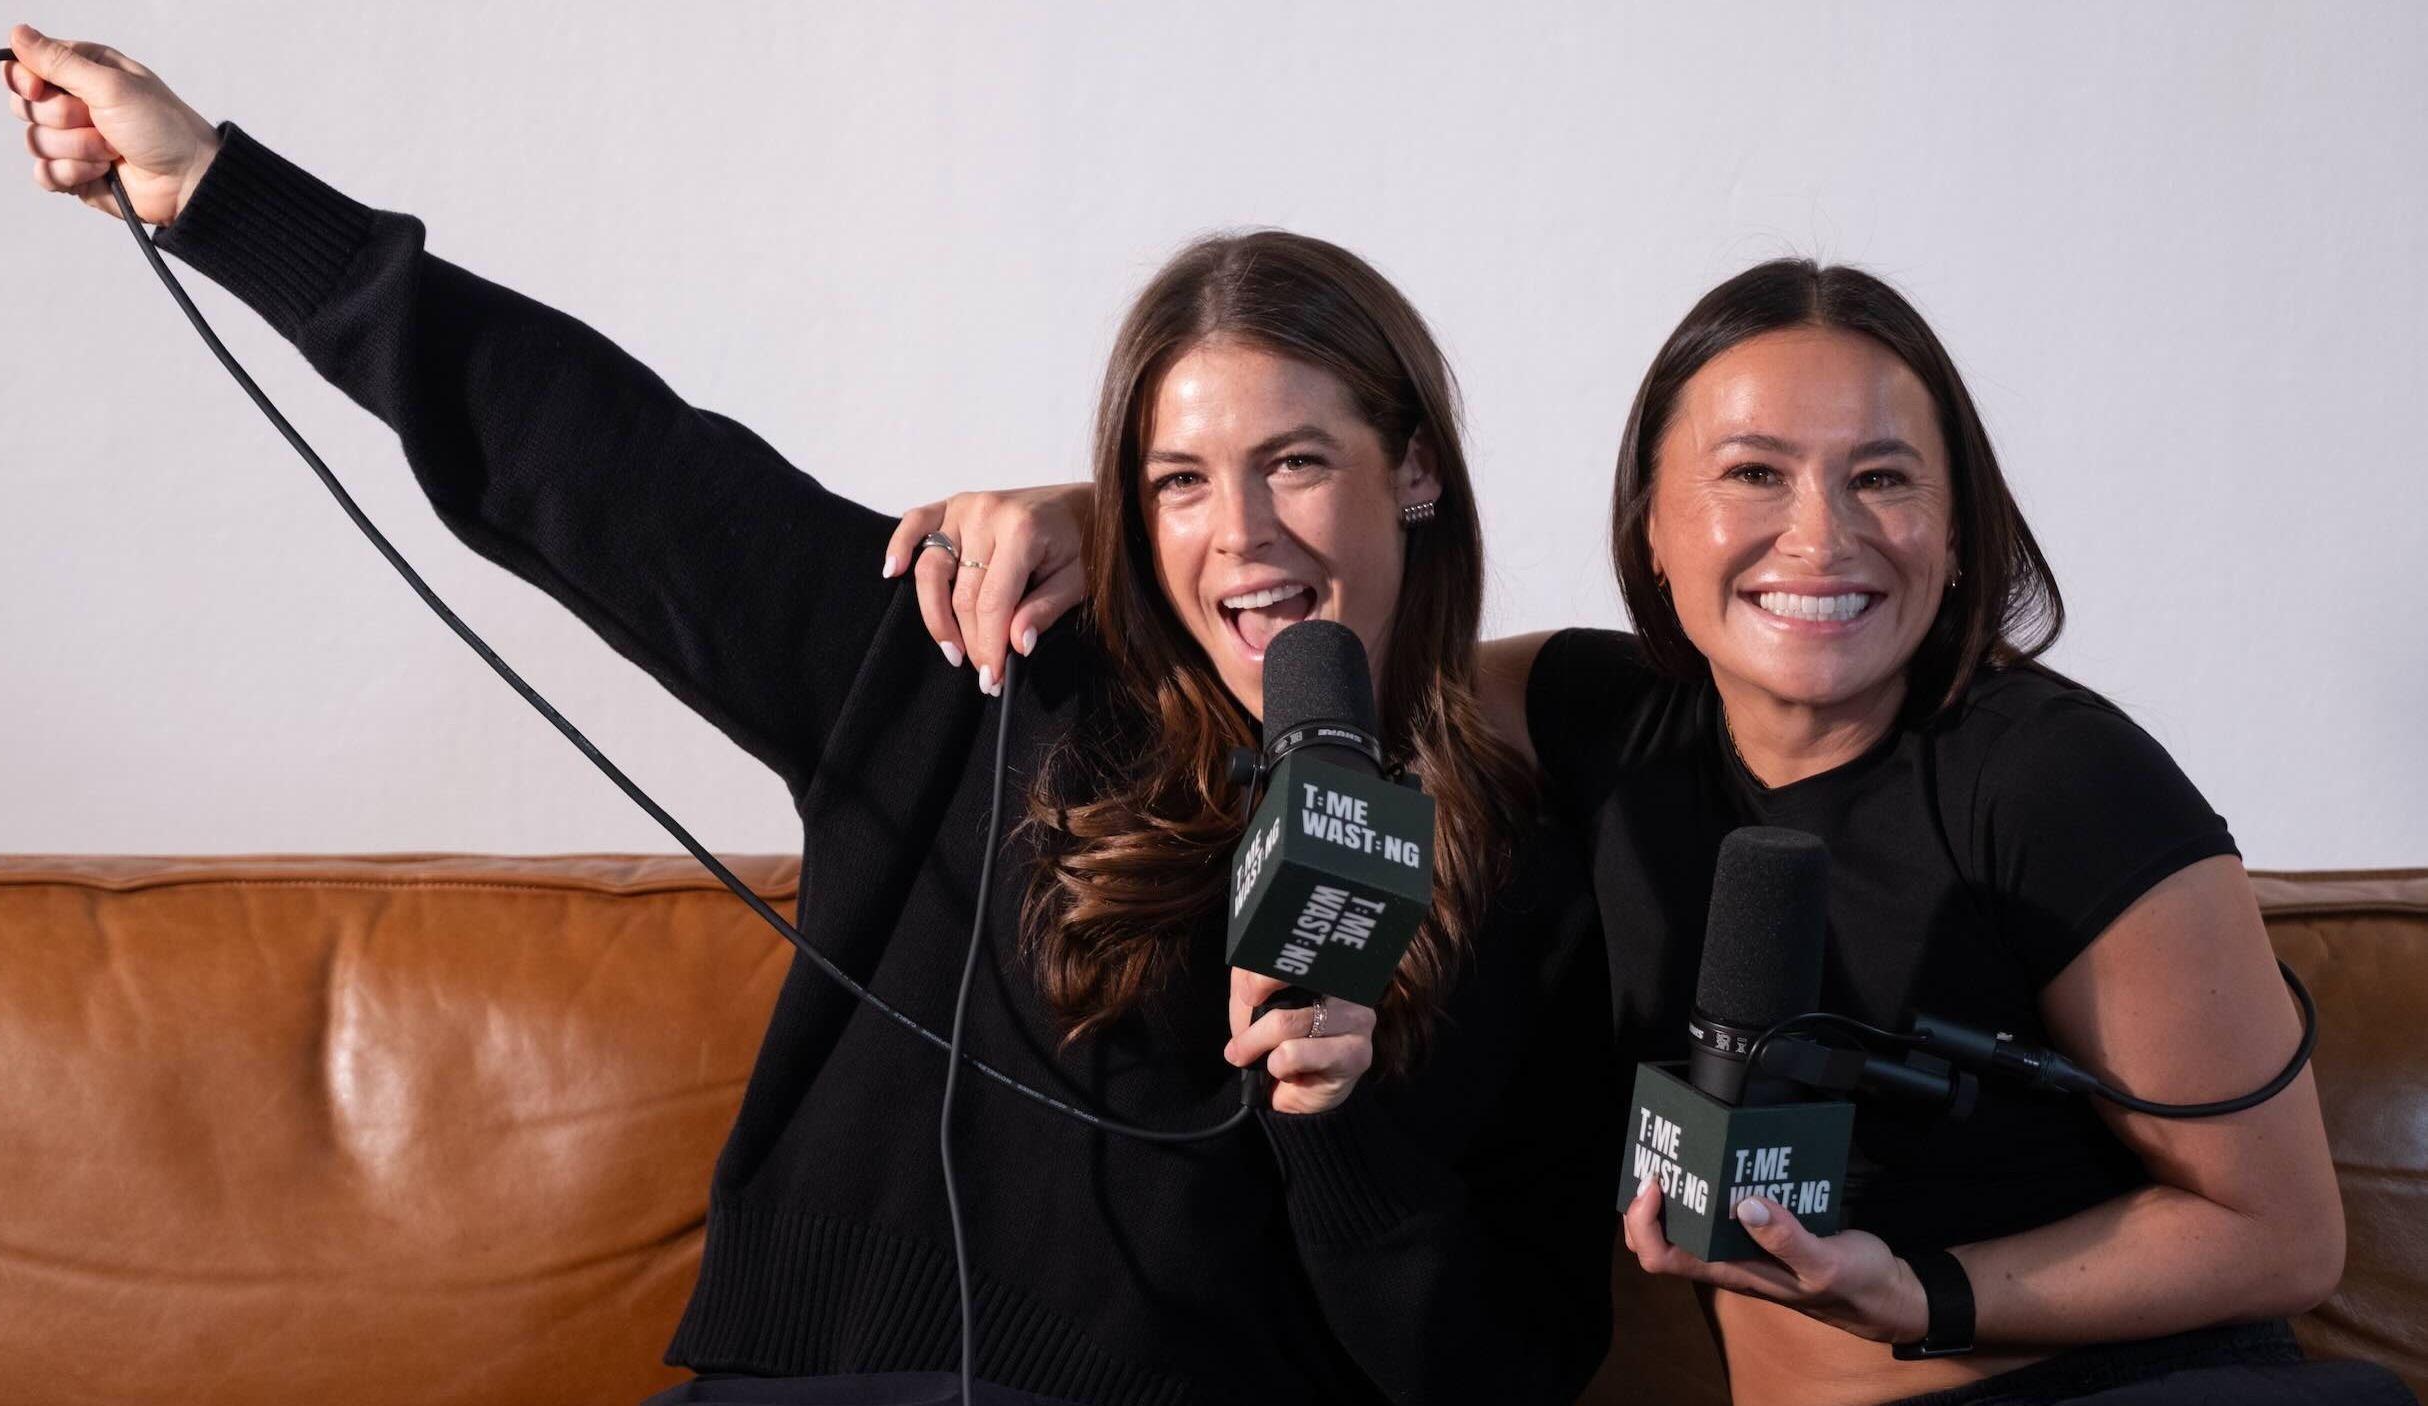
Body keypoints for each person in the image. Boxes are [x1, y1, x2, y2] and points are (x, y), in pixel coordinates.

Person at [0, 23, 1614, 1406]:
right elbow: (602, 462)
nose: (1241, 537)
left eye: (1300, 463)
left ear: (1413, 470)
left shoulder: (1529, 883)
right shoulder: (970, 662)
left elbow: (1499, 1368)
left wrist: (1337, 1127)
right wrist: (214, 188)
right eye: (1180, 482)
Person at [890, 263, 2387, 1403]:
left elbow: (2282, 1232)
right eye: (1753, 474)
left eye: (1882, 477)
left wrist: (1923, 1288)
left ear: (1956, 524)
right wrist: (1111, 521)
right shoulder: (1603, 721)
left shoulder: (2060, 781)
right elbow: (1332, 642)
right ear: (1653, 529)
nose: (1821, 537)